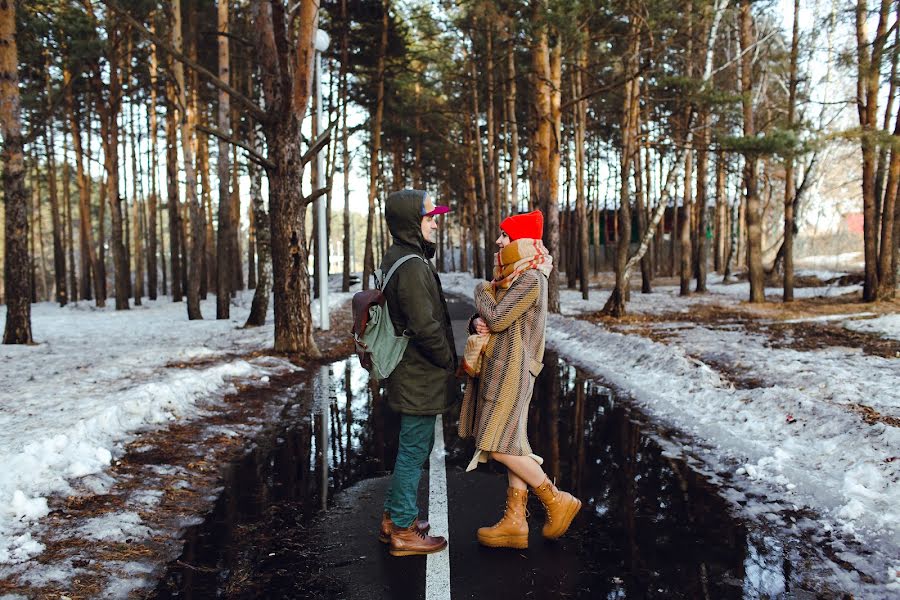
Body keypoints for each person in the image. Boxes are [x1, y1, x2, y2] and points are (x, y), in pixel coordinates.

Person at [458, 209, 581, 549]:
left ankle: (556, 499)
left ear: (522, 241)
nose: (499, 241)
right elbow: (494, 319)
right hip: (502, 367)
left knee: (496, 444)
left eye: (505, 236)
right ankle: (515, 521)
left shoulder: (530, 279)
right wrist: (475, 323)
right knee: (512, 444)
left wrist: (480, 291)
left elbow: (496, 316)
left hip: (512, 371)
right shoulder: (514, 276)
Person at [378, 189, 457, 557]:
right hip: (418, 374)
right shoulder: (410, 265)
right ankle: (404, 530)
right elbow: (425, 325)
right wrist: (448, 361)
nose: (435, 222)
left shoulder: (407, 258)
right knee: (413, 450)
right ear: (412, 223)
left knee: (416, 446)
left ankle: (393, 519)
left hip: (413, 372)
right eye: (429, 217)